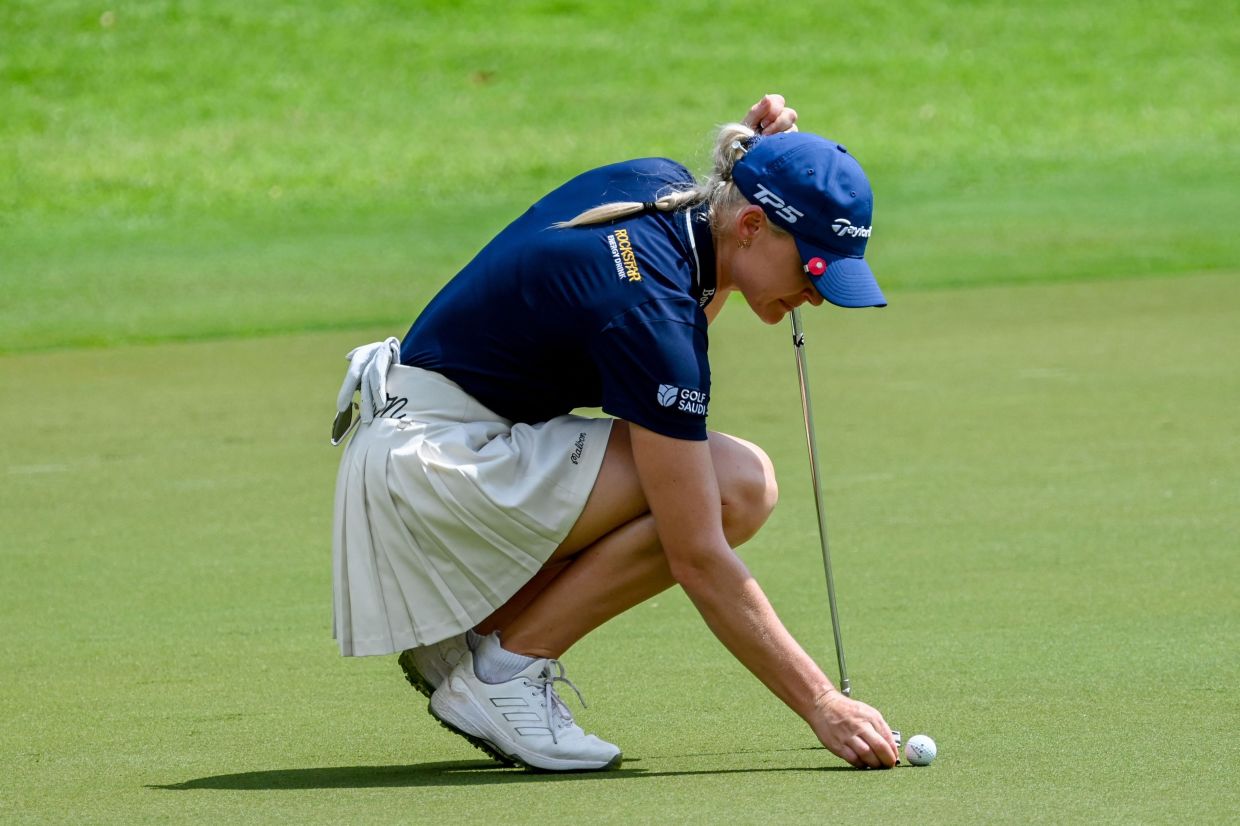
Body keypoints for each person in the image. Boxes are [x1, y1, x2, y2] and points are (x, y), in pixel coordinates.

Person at [331, 94, 900, 772]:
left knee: (720, 481)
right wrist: (820, 703)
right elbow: (697, 556)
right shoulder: (651, 312)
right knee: (735, 488)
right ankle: (503, 671)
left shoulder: (665, 196)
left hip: (425, 451)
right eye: (813, 272)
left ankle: (475, 638)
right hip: (433, 471)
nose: (816, 298)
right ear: (750, 225)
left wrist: (766, 159)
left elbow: (660, 324)